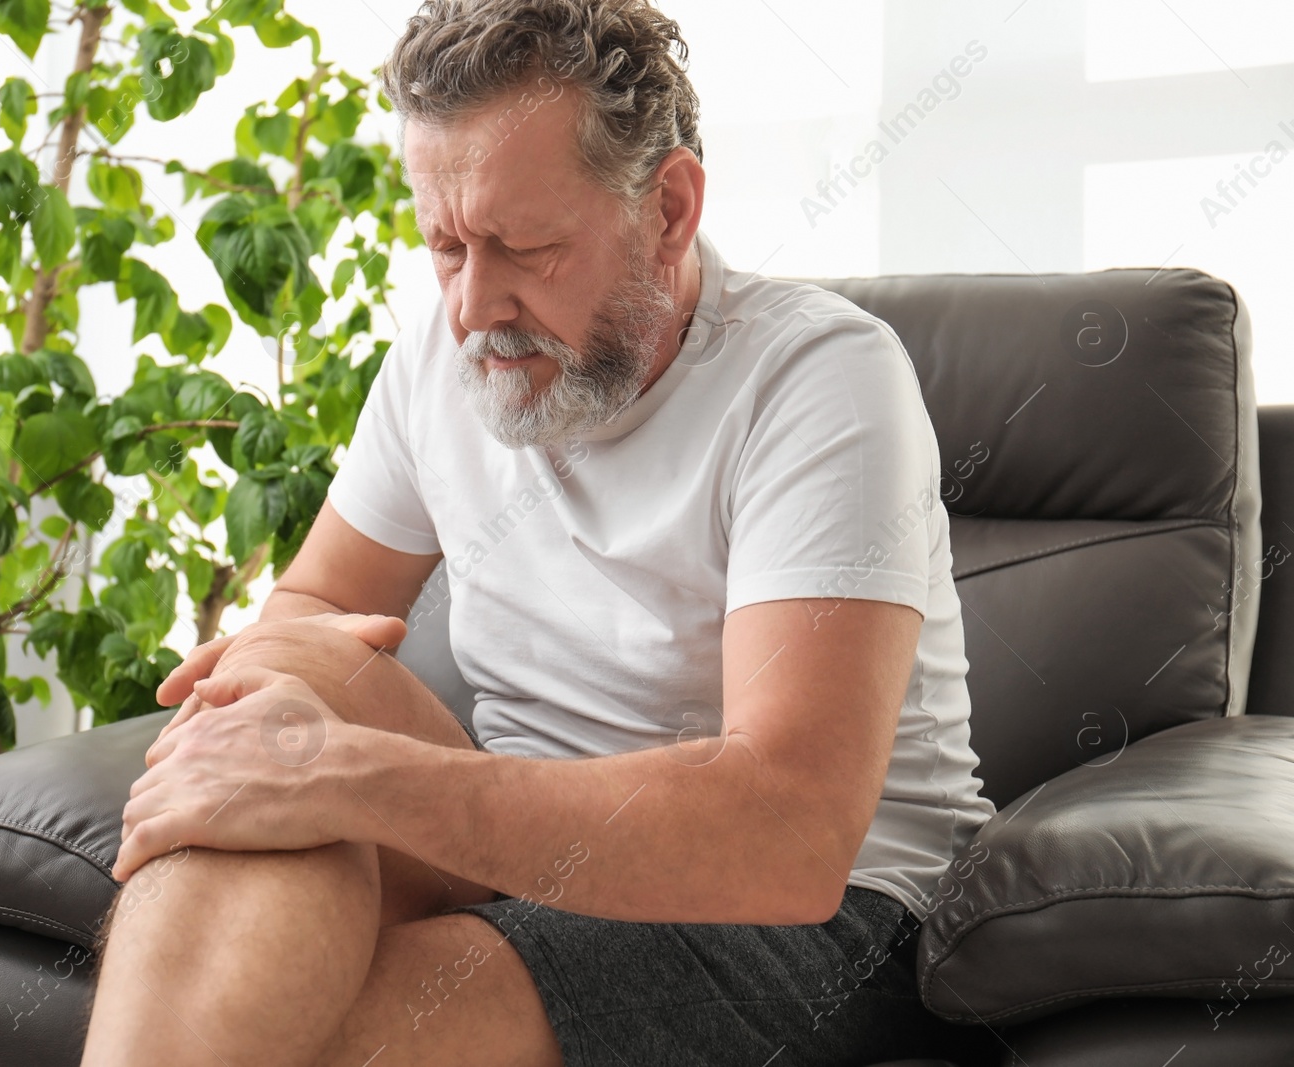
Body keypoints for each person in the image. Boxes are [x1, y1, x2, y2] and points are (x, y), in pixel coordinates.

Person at [81, 2, 996, 1065]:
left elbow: (787, 833)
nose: (474, 304)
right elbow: (317, 604)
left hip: (810, 913)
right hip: (521, 842)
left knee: (306, 1034)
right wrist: (276, 687)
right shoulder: (445, 348)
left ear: (668, 207)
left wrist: (344, 773)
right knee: (279, 669)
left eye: (527, 246)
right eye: (443, 245)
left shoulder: (818, 380)